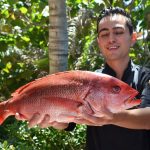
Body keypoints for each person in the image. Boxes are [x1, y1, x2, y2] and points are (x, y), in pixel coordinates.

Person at [15, 7, 150, 150]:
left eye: (118, 32)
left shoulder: (145, 76)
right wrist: (53, 120)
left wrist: (113, 117)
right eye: (104, 34)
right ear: (99, 42)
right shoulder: (87, 80)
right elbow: (67, 122)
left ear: (133, 38)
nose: (111, 39)